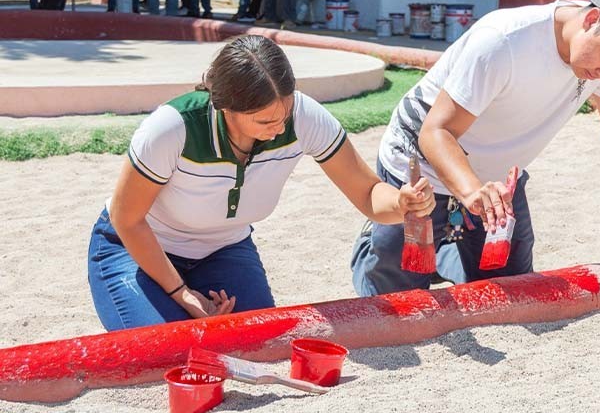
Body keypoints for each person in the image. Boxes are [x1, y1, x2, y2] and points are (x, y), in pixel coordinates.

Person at [351, 0, 600, 297]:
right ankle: (378, 243)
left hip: (495, 181)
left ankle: (449, 246)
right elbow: (436, 132)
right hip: (420, 166)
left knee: (509, 288)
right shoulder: (504, 41)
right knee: (396, 296)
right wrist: (469, 191)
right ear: (592, 19)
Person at [87, 35, 436, 331]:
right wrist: (182, 294)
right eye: (265, 120)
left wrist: (402, 204)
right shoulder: (171, 128)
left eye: (284, 113)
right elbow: (126, 217)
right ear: (225, 107)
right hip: (134, 248)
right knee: (170, 348)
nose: (281, 128)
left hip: (222, 249)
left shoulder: (301, 115)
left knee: (261, 339)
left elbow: (368, 192)